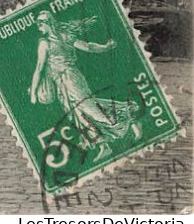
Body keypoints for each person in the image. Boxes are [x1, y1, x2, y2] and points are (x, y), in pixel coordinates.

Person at [29, 10, 141, 161]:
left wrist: (106, 47)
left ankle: (130, 118)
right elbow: (41, 68)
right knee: (78, 114)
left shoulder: (49, 42)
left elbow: (40, 67)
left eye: (40, 23)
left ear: (48, 23)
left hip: (71, 79)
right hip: (62, 84)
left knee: (90, 109)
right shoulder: (54, 39)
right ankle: (103, 145)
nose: (38, 27)